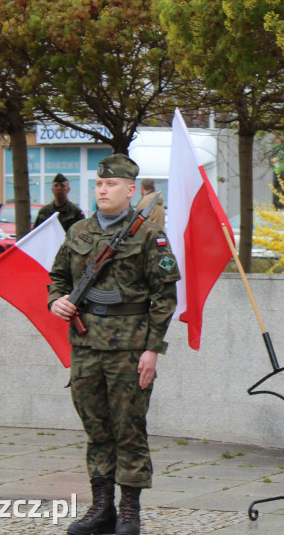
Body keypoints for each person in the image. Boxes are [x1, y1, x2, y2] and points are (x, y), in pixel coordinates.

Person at [48, 154, 180, 535]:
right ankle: (101, 507)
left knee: (129, 429)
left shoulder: (148, 235)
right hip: (87, 347)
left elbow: (164, 297)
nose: (103, 190)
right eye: (98, 184)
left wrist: (153, 349)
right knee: (97, 429)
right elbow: (56, 277)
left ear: (130, 190)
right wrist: (55, 300)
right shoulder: (79, 232)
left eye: (111, 185)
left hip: (130, 349)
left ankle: (129, 511)